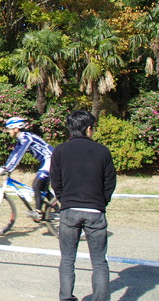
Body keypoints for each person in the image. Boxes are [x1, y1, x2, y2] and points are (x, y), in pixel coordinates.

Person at [51, 110, 116, 301]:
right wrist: (101, 202)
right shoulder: (102, 151)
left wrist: (65, 200)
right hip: (95, 210)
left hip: (69, 210)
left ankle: (66, 297)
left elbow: (56, 180)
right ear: (89, 129)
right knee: (99, 261)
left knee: (67, 259)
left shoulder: (60, 150)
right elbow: (110, 181)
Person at [0, 116, 54, 221]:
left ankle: (38, 212)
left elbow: (19, 155)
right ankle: (56, 210)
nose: (8, 132)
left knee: (36, 184)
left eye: (9, 129)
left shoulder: (26, 137)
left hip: (50, 159)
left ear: (16, 129)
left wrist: (8, 168)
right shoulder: (20, 139)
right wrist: (5, 167)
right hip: (46, 160)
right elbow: (14, 154)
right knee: (43, 190)